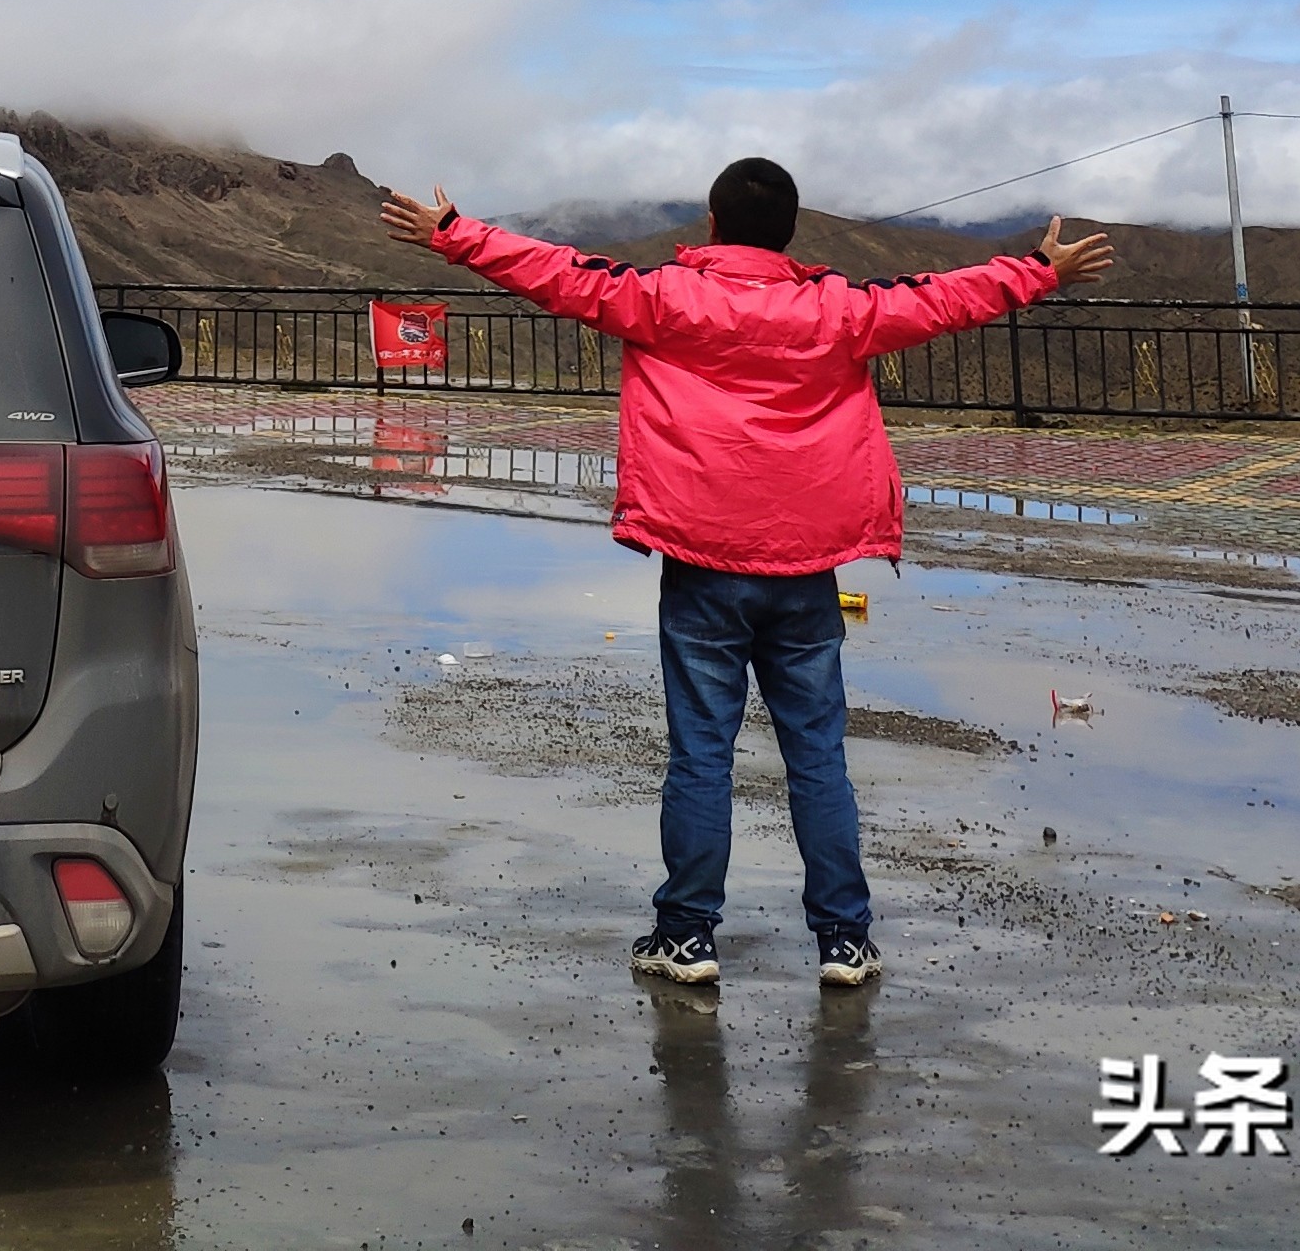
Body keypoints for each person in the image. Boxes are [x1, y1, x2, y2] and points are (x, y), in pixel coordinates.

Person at [376, 161, 1114, 988]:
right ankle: (844, 940)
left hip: (701, 561)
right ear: (791, 230)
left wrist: (454, 232)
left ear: (713, 222)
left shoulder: (664, 297)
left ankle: (687, 936)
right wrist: (1041, 270)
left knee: (700, 755)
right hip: (805, 568)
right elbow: (941, 298)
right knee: (818, 758)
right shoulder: (842, 310)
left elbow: (556, 273)